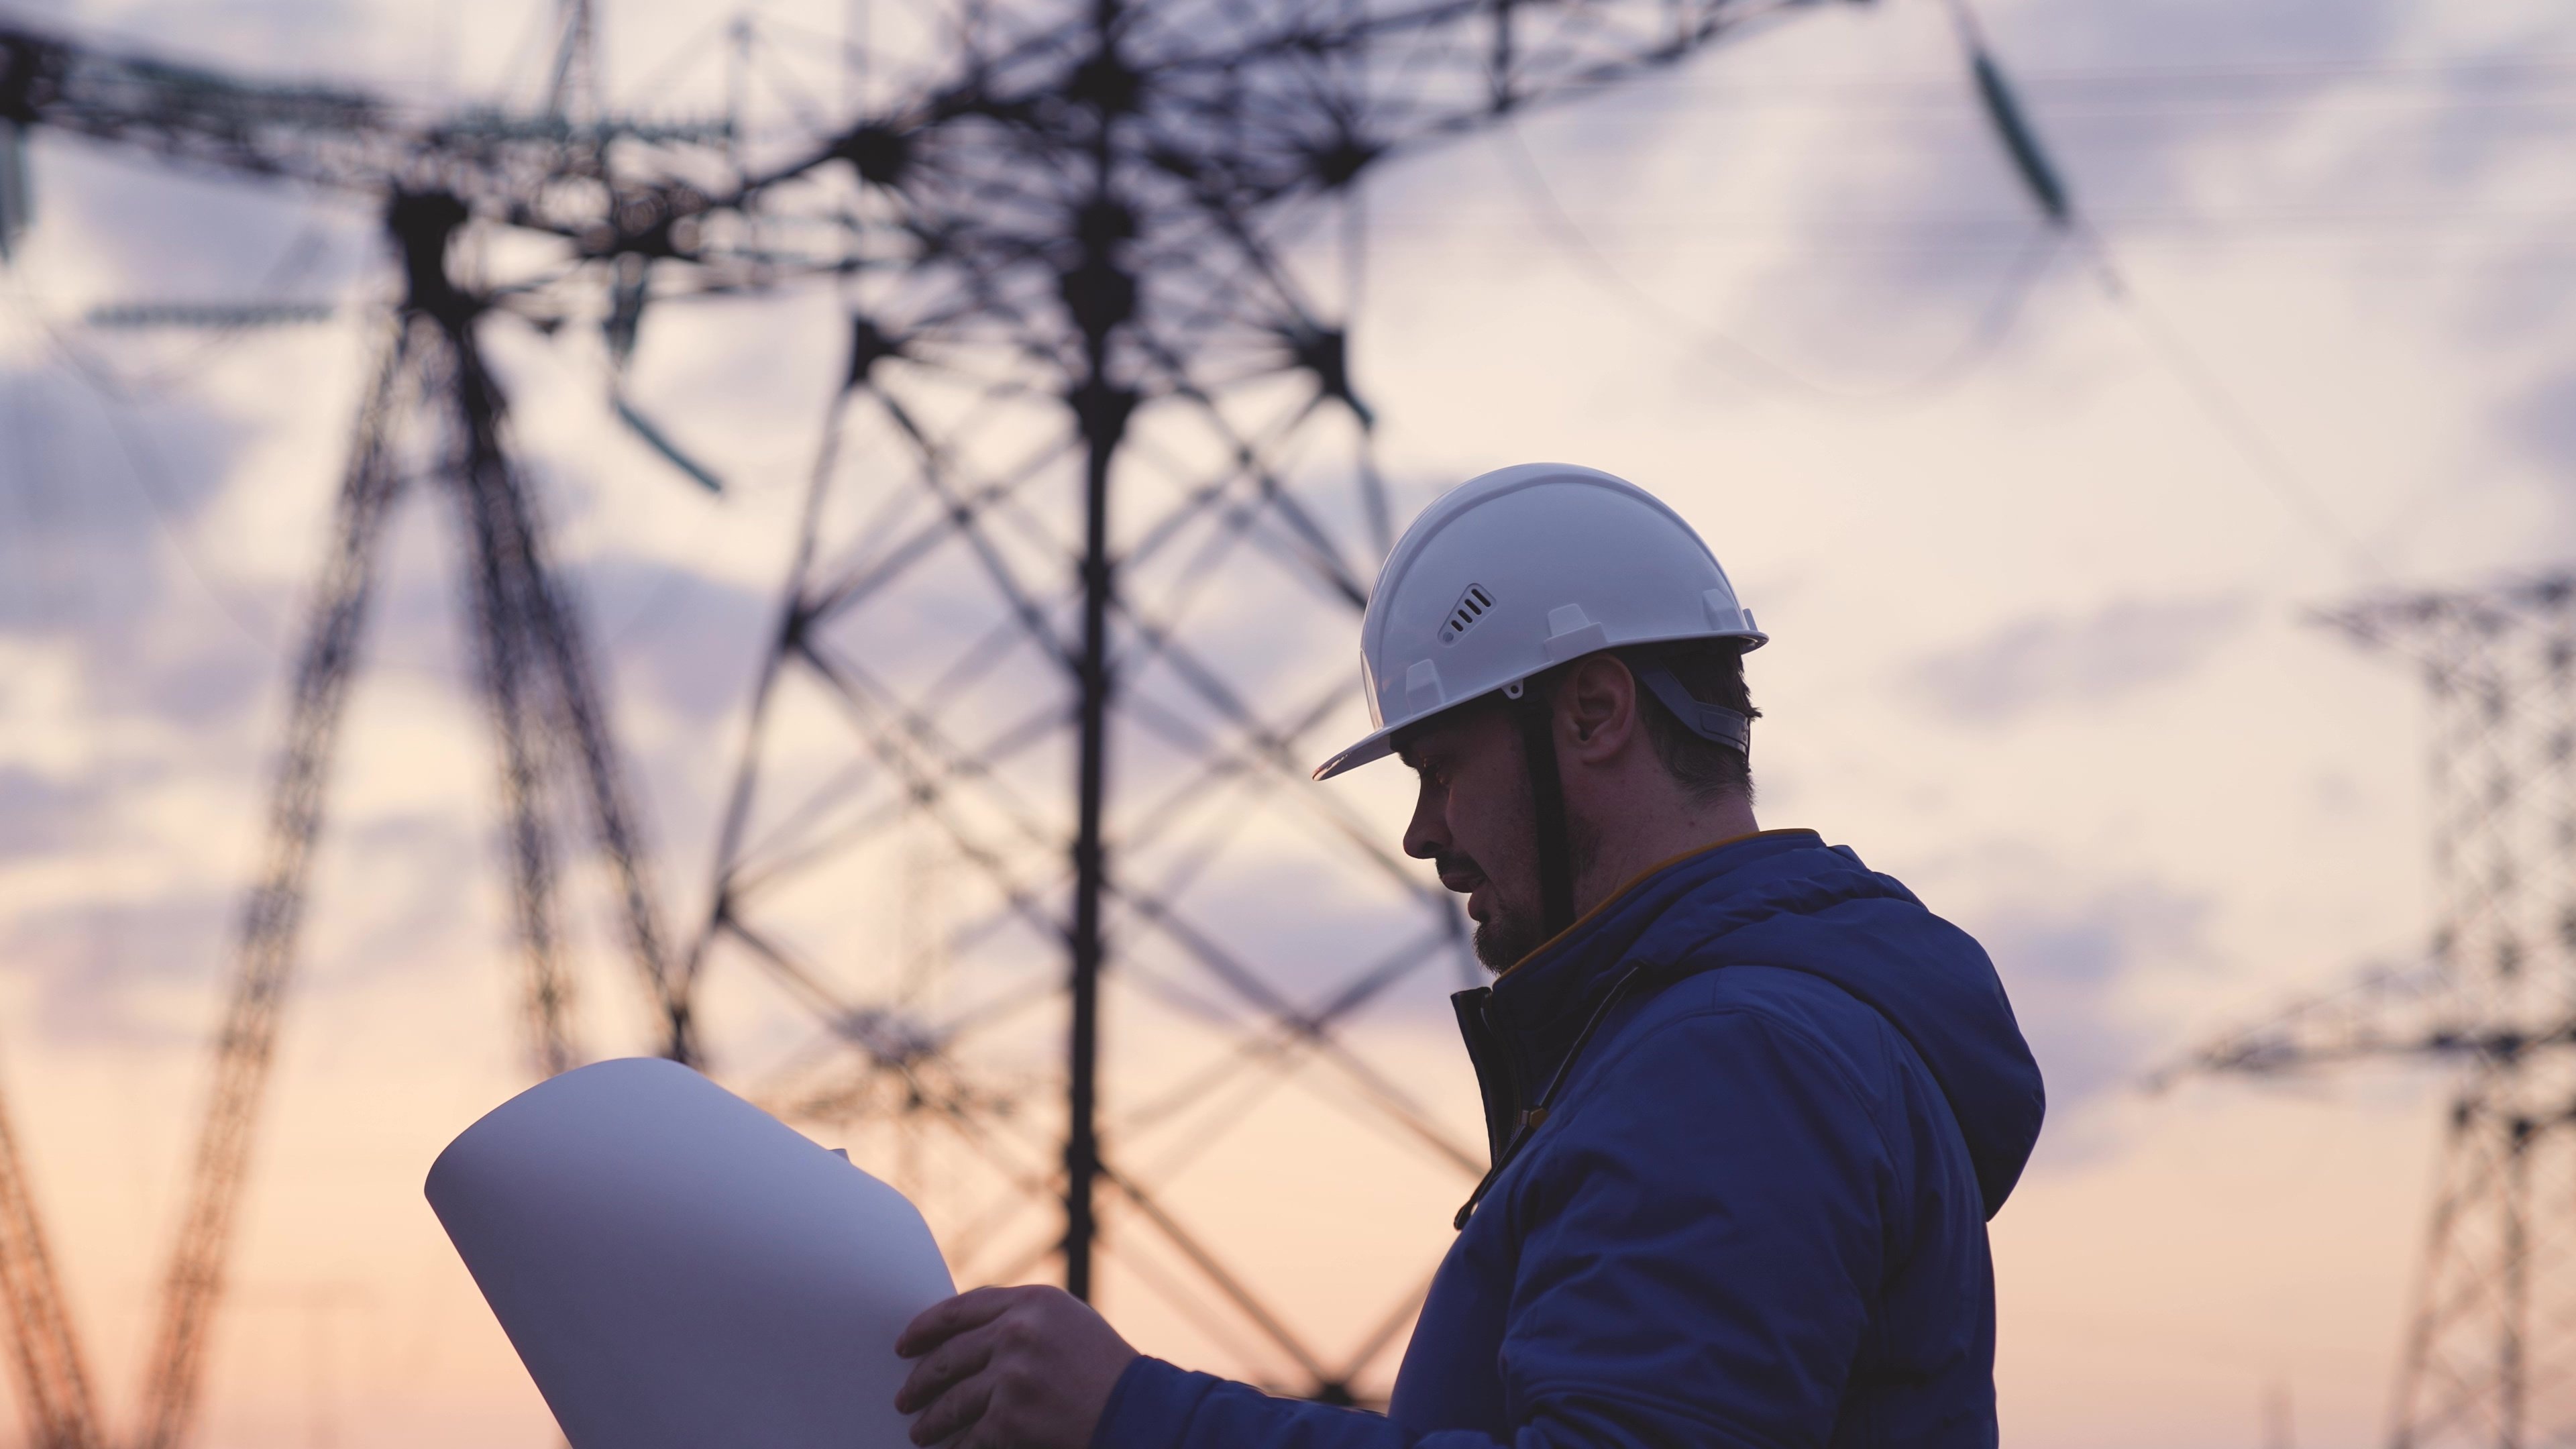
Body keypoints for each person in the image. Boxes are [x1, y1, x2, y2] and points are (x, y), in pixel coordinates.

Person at [894, 463, 2046, 1448]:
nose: (1422, 832)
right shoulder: (1734, 1038)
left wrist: (1137, 1417)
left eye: (1440, 767)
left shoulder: (1735, 1058)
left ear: (1593, 713)